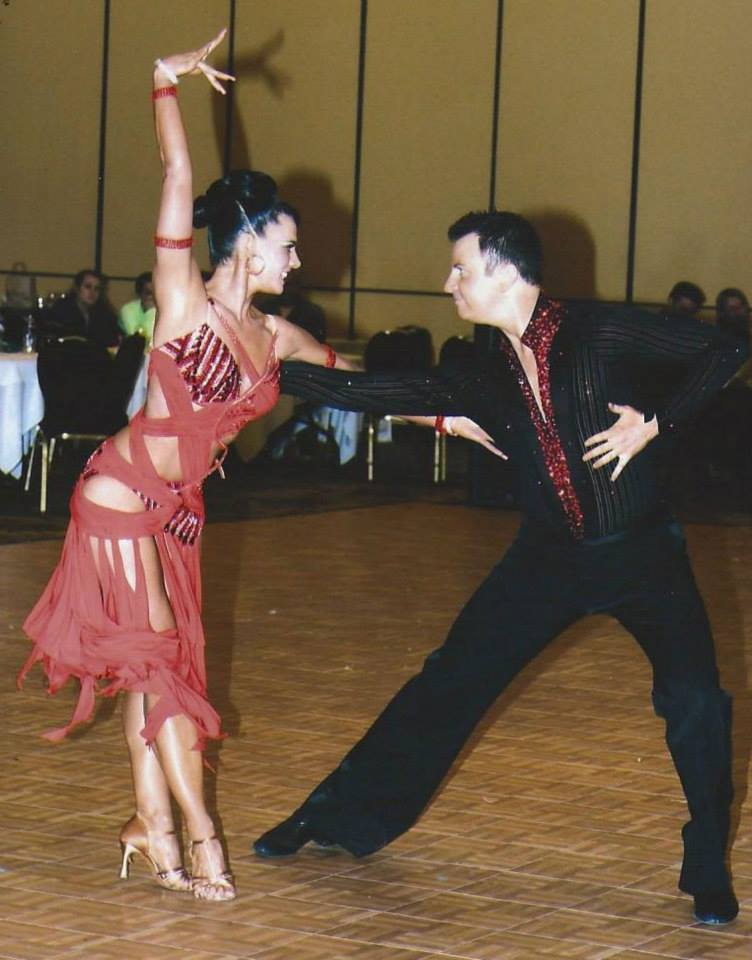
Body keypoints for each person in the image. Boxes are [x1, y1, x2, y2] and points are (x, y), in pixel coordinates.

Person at [17, 31, 495, 903]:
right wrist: (164, 86)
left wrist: (445, 416)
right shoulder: (182, 301)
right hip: (119, 497)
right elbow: (175, 177)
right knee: (160, 663)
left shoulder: (276, 336)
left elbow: (354, 381)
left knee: (155, 670)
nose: (299, 260)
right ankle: (201, 836)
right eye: (289, 245)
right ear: (245, 244)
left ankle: (148, 825)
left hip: (177, 515)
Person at [255, 211, 747, 926]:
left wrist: (655, 422)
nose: (448, 282)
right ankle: (334, 816)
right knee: (447, 683)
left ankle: (706, 863)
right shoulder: (486, 369)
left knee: (695, 698)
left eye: (461, 268)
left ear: (508, 271)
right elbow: (383, 393)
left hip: (641, 552)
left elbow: (725, 349)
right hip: (547, 559)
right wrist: (268, 373)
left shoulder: (598, 330)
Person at [46, 269, 121, 347]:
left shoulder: (104, 314)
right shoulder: (62, 310)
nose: (92, 292)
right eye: (88, 287)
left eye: (97, 289)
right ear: (77, 288)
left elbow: (112, 340)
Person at [119, 271, 157, 345]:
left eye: (154, 292)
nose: (151, 296)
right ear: (139, 292)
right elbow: (133, 334)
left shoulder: (165, 311)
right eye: (148, 292)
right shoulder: (128, 309)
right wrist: (150, 311)